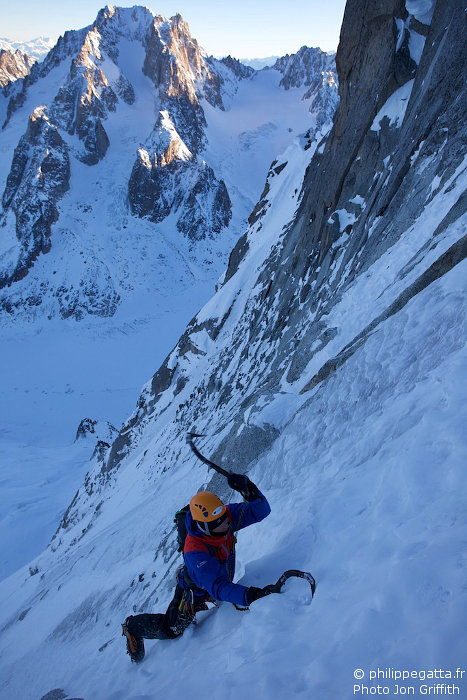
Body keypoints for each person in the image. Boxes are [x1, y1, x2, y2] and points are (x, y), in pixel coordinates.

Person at [122, 473, 271, 662]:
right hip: (194, 591)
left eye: (225, 517)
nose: (226, 523)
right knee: (173, 628)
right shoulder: (195, 551)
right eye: (219, 522)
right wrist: (250, 596)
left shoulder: (220, 516)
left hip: (213, 578)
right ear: (204, 526)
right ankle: (133, 627)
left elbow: (261, 511)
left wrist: (249, 490)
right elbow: (217, 588)